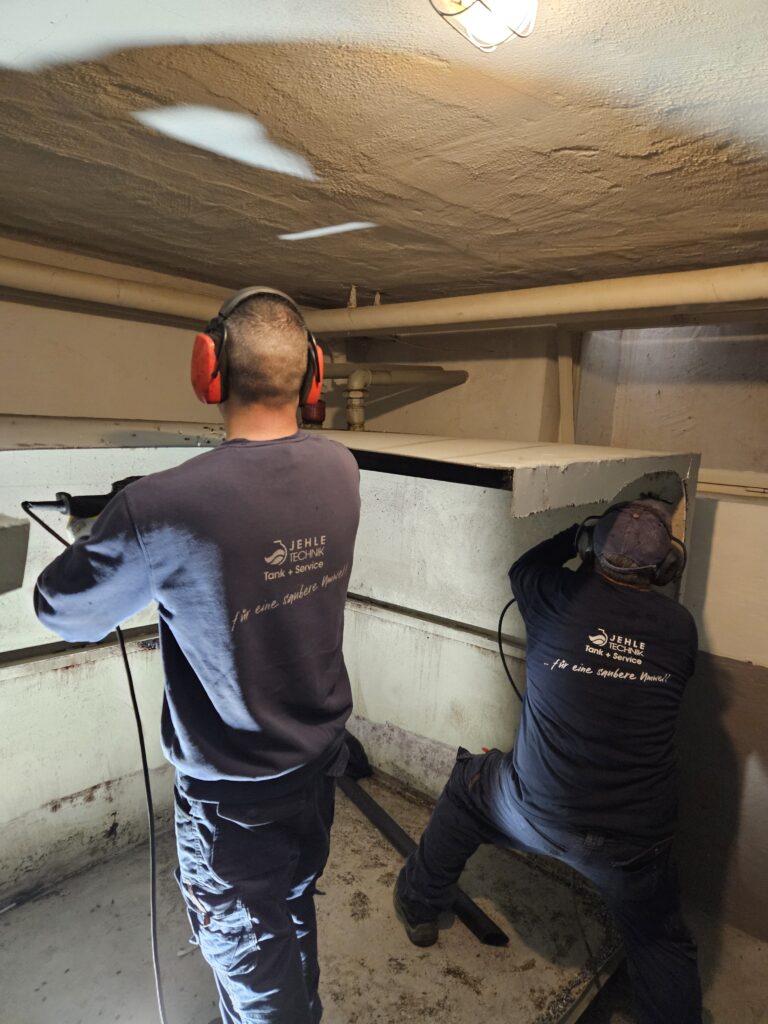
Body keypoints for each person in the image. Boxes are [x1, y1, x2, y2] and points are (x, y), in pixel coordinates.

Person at [34, 288, 361, 1024]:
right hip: (316, 771)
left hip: (233, 800)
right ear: (315, 375)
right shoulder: (343, 469)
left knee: (250, 962)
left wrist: (122, 528)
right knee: (288, 910)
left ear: (207, 370)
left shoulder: (162, 507)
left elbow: (62, 612)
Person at [394, 498, 703, 1024]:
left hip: (535, 812)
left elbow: (523, 567)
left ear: (591, 551)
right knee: (659, 942)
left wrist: (575, 537)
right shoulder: (679, 628)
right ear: (666, 567)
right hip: (632, 846)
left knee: (471, 783)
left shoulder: (552, 595)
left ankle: (419, 906)